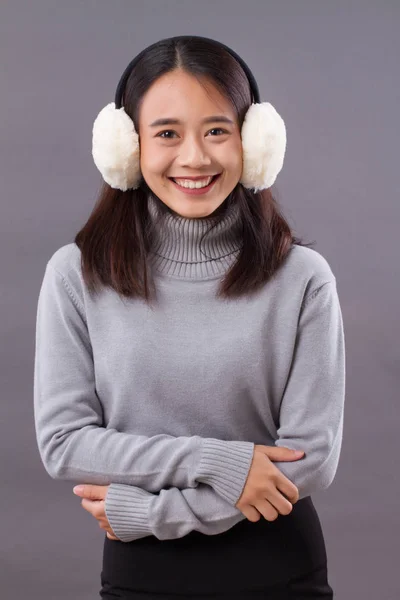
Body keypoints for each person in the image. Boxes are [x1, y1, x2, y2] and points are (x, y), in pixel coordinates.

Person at [33, 35, 345, 599]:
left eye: (217, 130)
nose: (195, 157)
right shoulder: (74, 275)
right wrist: (223, 462)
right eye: (167, 134)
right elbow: (64, 443)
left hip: (278, 564)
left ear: (255, 142)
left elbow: (312, 460)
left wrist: (156, 515)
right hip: (141, 577)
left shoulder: (303, 277)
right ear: (127, 148)